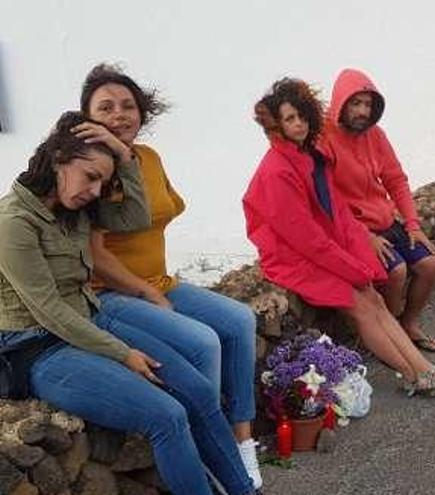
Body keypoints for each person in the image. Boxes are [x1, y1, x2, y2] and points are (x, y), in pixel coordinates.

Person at [0, 112, 259, 495]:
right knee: (167, 416)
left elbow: (136, 216)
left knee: (200, 392)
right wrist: (123, 354)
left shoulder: (74, 210)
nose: (94, 189)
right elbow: (48, 310)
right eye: (90, 176)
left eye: (102, 182)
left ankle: (243, 490)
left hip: (90, 319)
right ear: (58, 158)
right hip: (40, 349)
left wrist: (124, 157)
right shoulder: (14, 222)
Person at [78, 64, 262, 489]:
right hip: (112, 292)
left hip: (158, 280)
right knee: (203, 342)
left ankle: (241, 444)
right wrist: (145, 290)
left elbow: (162, 209)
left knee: (239, 320)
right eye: (105, 107)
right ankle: (206, 453)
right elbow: (95, 254)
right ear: (87, 117)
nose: (119, 114)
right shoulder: (91, 170)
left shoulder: (148, 159)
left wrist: (154, 286)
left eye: (128, 105)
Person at [244, 78, 435, 396]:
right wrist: (352, 267)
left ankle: (425, 370)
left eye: (302, 116)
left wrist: (357, 254)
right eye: (289, 119)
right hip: (293, 259)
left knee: (373, 298)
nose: (298, 124)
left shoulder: (306, 156)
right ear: (276, 125)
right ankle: (413, 375)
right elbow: (305, 238)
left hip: (321, 250)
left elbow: (336, 214)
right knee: (361, 305)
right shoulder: (279, 170)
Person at [323, 68, 435, 352]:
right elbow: (329, 198)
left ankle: (409, 325)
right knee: (397, 272)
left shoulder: (376, 135)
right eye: (356, 103)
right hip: (355, 228)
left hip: (387, 219)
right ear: (341, 102)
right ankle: (388, 339)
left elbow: (396, 179)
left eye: (368, 104)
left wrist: (413, 224)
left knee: (431, 265)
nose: (363, 111)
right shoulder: (325, 139)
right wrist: (364, 235)